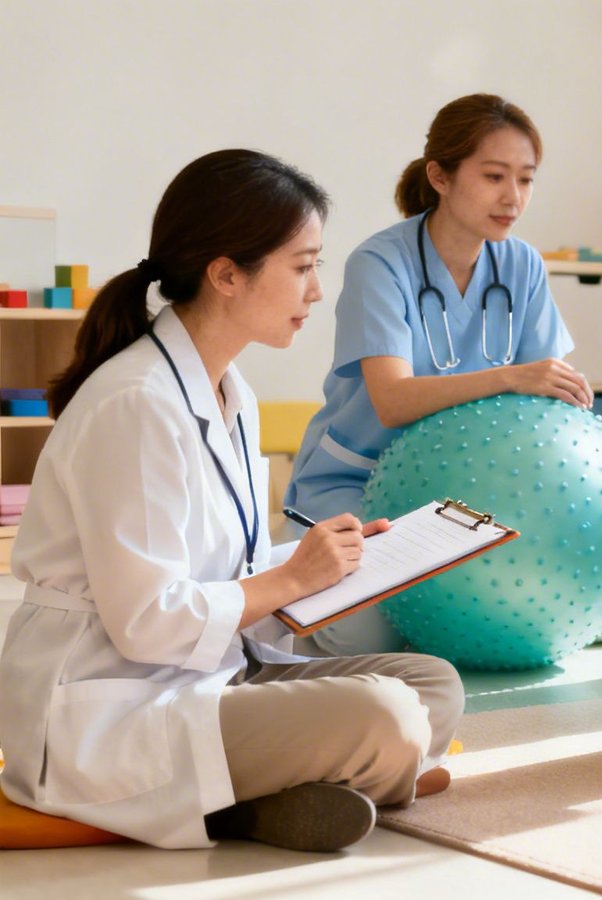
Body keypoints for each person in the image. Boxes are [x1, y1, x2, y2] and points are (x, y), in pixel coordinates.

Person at [0, 150, 464, 852]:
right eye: (303, 267)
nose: (315, 292)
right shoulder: (137, 404)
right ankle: (251, 803)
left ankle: (270, 793)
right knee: (387, 717)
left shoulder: (229, 392)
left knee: (432, 683)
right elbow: (149, 623)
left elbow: (223, 568)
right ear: (225, 274)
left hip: (208, 674)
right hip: (105, 706)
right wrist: (292, 578)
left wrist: (337, 562)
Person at [284, 93, 602, 655]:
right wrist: (510, 377)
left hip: (464, 489)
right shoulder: (380, 264)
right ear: (440, 176)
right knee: (356, 635)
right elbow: (393, 402)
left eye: (525, 179)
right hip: (360, 484)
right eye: (494, 176)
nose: (512, 197)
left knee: (594, 615)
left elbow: (547, 397)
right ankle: (302, 558)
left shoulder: (521, 264)